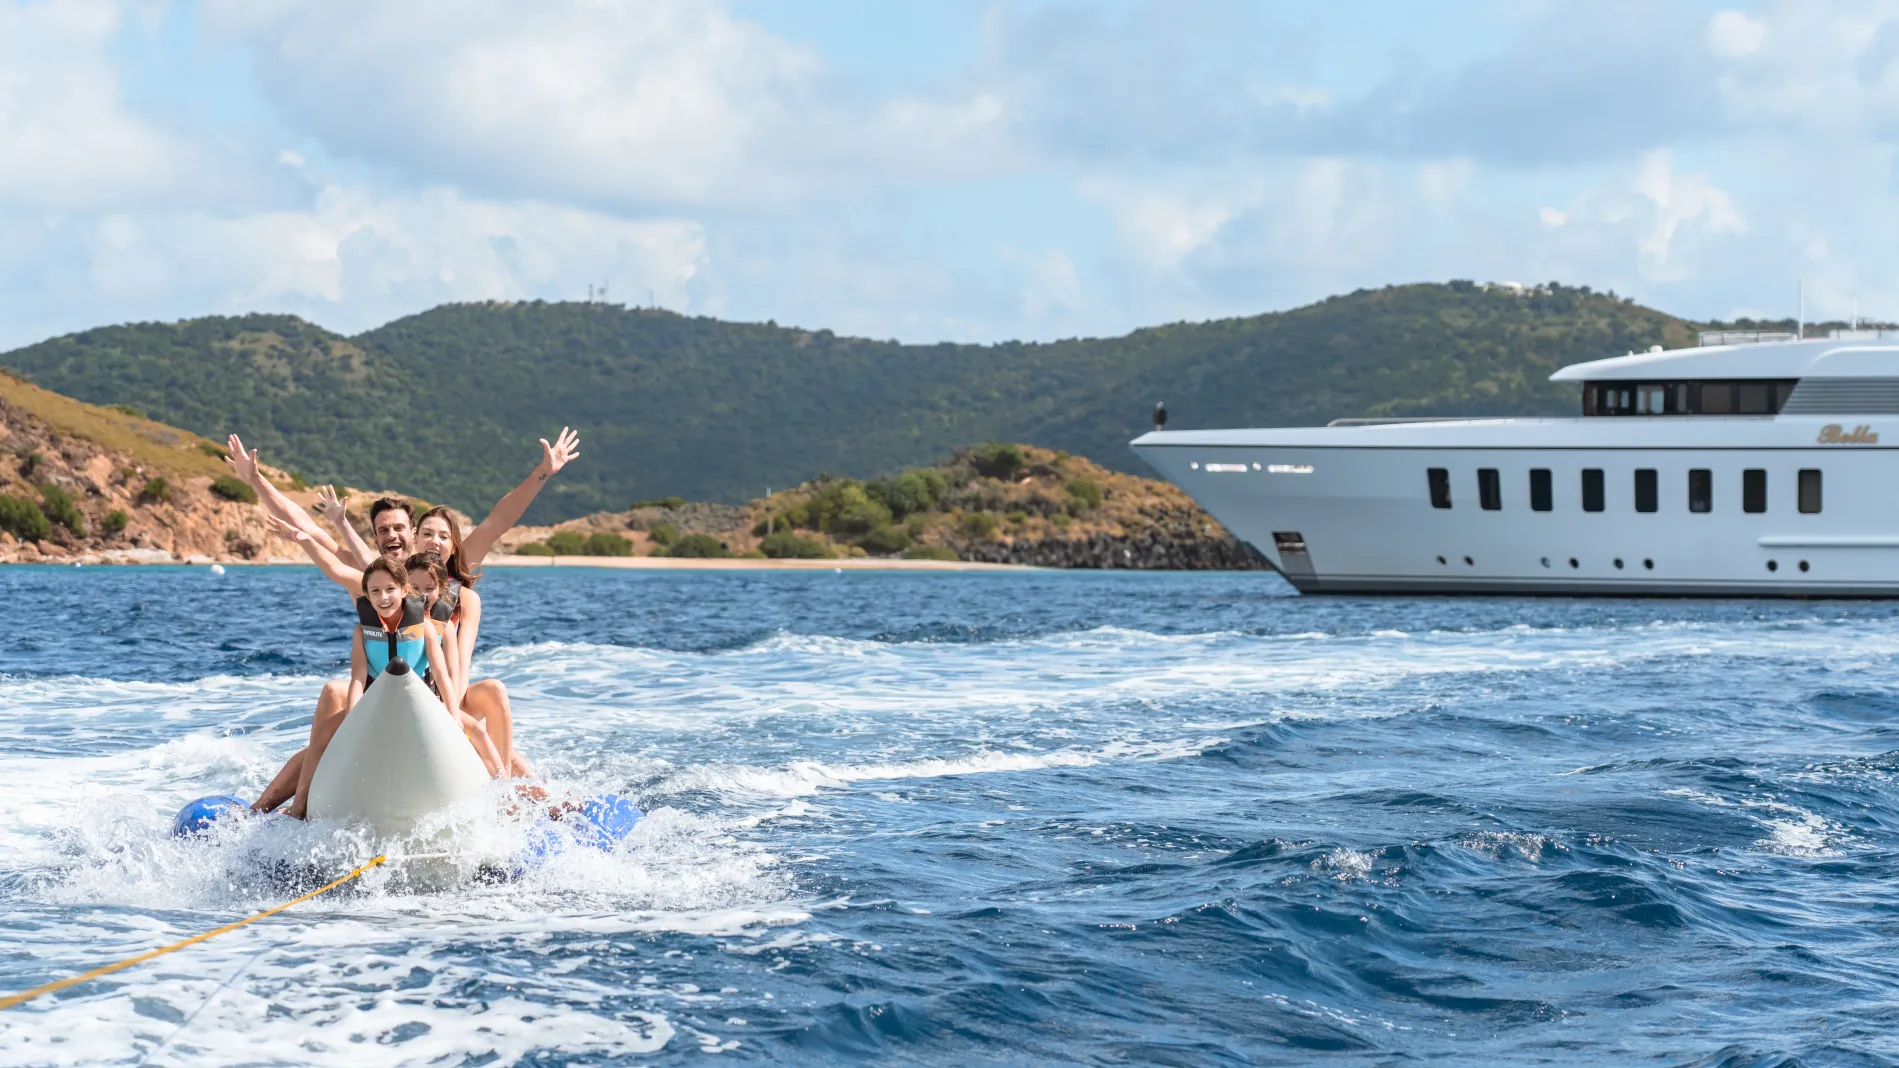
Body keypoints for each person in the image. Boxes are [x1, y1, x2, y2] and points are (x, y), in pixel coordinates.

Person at [256, 557, 505, 819]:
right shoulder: (362, 632)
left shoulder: (428, 629)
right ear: (367, 595)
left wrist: (453, 716)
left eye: (390, 590)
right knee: (320, 739)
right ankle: (298, 807)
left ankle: (504, 801)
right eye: (375, 591)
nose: (383, 597)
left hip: (424, 702)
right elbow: (357, 680)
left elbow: (442, 677)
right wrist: (354, 717)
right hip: (374, 702)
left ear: (404, 591)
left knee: (476, 729)